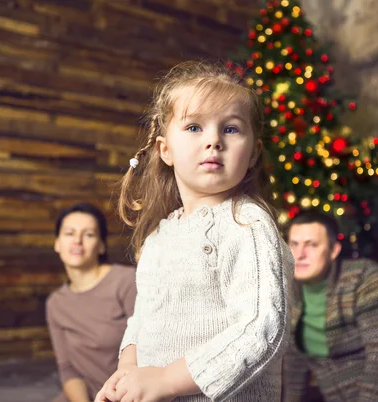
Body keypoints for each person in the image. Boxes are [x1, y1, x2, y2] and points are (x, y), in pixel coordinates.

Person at [94, 60, 293, 402]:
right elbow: (143, 318)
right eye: (194, 127)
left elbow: (261, 327)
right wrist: (127, 369)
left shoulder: (246, 225)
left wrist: (167, 381)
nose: (214, 140)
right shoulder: (160, 236)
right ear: (165, 149)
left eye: (231, 129)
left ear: (253, 154)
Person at [283, 211, 378, 402]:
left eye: (311, 245)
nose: (299, 255)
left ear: (333, 251)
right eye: (294, 244)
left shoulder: (365, 278)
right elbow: (294, 365)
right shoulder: (288, 292)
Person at [46, 203, 137, 402]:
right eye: (69, 233)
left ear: (101, 245)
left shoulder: (126, 282)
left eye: (88, 235)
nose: (77, 241)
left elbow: (150, 349)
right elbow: (68, 368)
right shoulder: (56, 303)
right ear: (57, 243)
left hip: (130, 394)